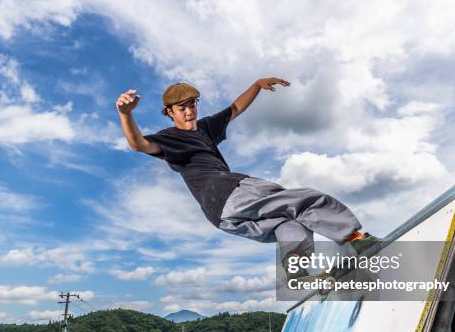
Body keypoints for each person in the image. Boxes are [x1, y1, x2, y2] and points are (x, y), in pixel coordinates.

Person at [115, 78, 378, 281]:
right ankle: (356, 238)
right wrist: (126, 114)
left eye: (193, 105)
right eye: (182, 108)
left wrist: (256, 85)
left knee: (287, 224)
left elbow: (234, 109)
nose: (189, 112)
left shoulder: (206, 128)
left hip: (222, 218)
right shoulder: (168, 138)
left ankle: (296, 269)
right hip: (231, 191)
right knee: (304, 200)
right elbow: (139, 144)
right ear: (169, 112)